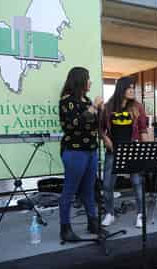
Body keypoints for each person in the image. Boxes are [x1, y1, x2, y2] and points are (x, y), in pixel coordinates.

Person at [58, 67, 104, 242]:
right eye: (88, 79)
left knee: (89, 190)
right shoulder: (67, 101)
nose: (91, 82)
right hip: (75, 151)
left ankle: (92, 223)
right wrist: (93, 108)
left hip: (91, 150)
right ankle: (65, 229)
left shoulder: (86, 100)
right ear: (80, 81)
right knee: (70, 190)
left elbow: (93, 125)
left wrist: (100, 110)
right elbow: (73, 125)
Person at [100, 77, 149, 227]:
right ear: (121, 89)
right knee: (108, 184)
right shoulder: (108, 106)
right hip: (113, 151)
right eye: (129, 88)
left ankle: (140, 214)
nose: (132, 90)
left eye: (133, 88)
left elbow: (143, 129)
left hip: (132, 149)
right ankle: (109, 213)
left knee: (136, 182)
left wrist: (145, 149)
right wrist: (105, 138)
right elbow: (101, 128)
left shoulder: (137, 107)